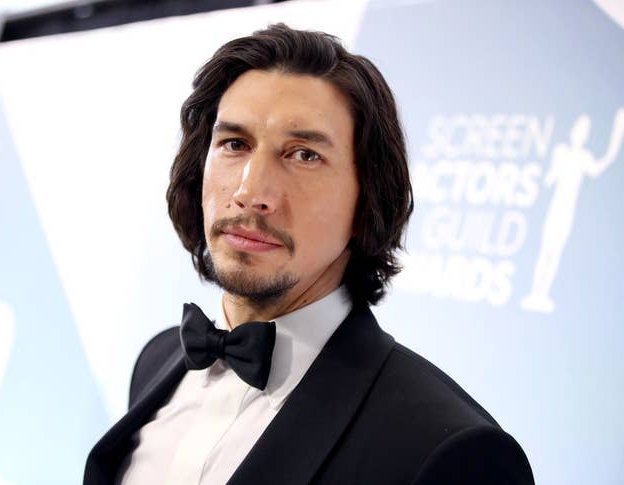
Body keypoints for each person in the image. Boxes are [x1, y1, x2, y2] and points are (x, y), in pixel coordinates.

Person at [84, 23, 534, 485]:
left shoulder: (453, 453)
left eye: (303, 155)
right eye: (235, 145)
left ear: (368, 198)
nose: (250, 192)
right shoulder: (158, 361)